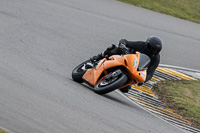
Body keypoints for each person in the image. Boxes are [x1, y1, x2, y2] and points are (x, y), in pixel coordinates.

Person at [90, 36, 162, 92]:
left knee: (126, 88)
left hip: (134, 70)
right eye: (152, 48)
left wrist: (144, 80)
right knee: (114, 48)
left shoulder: (156, 59)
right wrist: (123, 45)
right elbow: (125, 41)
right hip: (126, 58)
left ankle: (114, 82)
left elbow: (150, 72)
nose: (153, 51)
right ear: (147, 44)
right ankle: (99, 57)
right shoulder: (141, 45)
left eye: (156, 50)